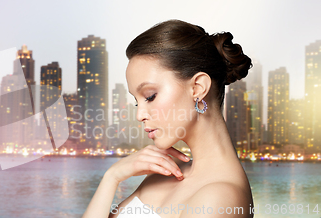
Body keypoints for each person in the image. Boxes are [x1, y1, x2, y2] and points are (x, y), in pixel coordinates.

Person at [83, 19, 254, 218]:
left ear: (197, 88)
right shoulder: (167, 173)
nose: (139, 115)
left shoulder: (219, 198)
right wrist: (112, 177)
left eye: (150, 96)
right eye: (138, 102)